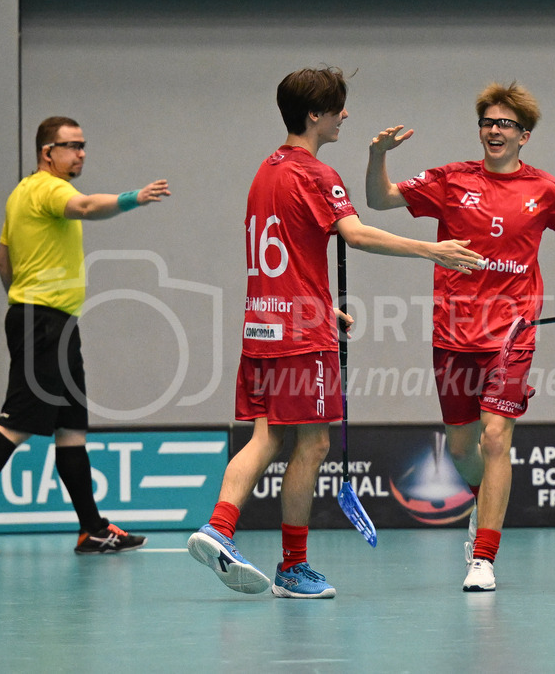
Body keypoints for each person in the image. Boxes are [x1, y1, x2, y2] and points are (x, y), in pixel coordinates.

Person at [186, 66, 483, 599]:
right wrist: (431, 250)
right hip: (301, 336)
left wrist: (323, 306)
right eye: (337, 107)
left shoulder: (266, 171)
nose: (345, 114)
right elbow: (357, 234)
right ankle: (290, 566)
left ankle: (220, 528)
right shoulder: (317, 175)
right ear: (314, 115)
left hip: (264, 324)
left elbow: (286, 255)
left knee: (266, 436)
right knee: (313, 442)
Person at [366, 82, 555, 592]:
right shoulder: (450, 180)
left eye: (505, 124)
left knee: (496, 438)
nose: (495, 130)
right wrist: (378, 156)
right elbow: (379, 200)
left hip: (513, 333)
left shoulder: (547, 189)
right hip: (452, 332)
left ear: (524, 135)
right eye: (488, 122)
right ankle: (483, 501)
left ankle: (484, 557)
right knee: (461, 447)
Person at [0, 116, 170, 557]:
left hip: (54, 323)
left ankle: (92, 529)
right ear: (47, 153)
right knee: (18, 422)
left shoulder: (19, 195)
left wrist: (22, 301)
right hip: (42, 323)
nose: (81, 153)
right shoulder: (47, 189)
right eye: (72, 146)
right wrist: (133, 198)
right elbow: (86, 207)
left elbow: (3, 263)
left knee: (71, 428)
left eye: (83, 145)